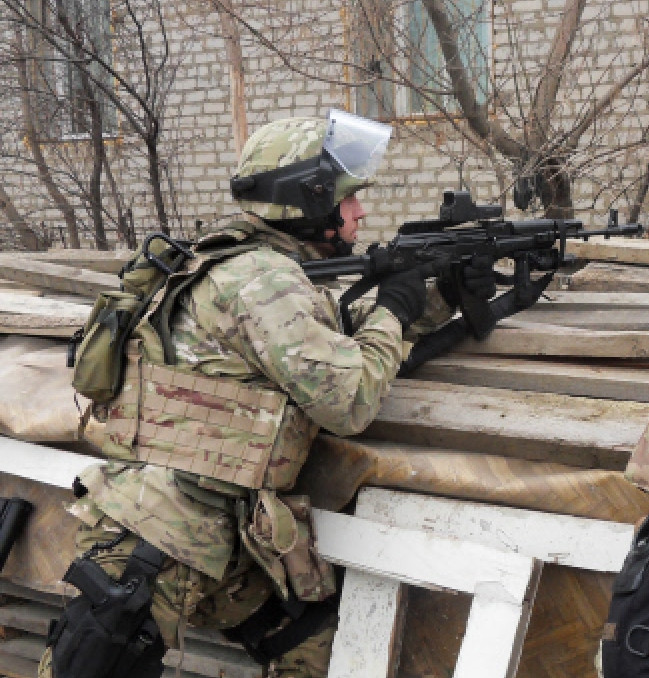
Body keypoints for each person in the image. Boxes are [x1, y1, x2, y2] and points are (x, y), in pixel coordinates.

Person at [41, 110, 496, 678]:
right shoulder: (264, 279)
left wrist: (433, 301)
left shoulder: (255, 266)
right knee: (92, 666)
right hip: (162, 535)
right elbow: (348, 400)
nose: (359, 212)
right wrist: (394, 309)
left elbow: (325, 341)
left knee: (312, 648)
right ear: (306, 202)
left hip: (229, 531)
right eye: (347, 198)